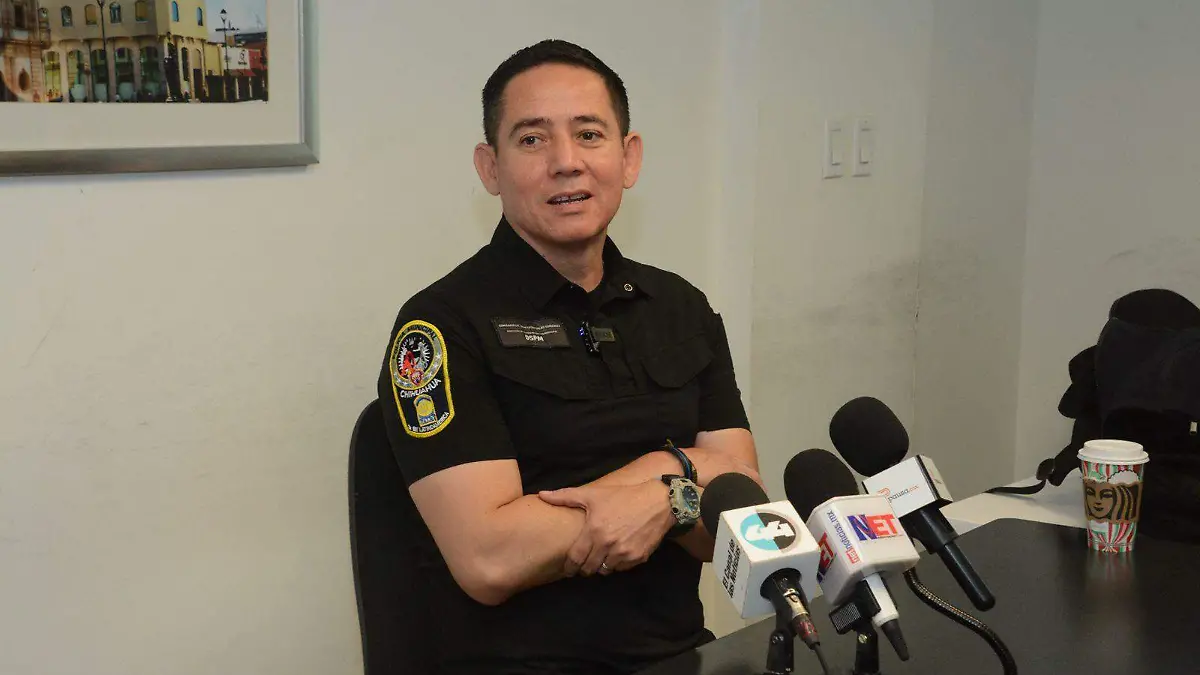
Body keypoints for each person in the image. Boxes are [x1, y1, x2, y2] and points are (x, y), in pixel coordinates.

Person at [377, 38, 761, 675]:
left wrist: (667, 499)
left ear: (628, 158)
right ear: (490, 168)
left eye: (589, 134)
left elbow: (742, 516)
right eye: (532, 139)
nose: (566, 163)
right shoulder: (440, 326)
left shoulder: (681, 308)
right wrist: (677, 478)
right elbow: (490, 559)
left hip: (678, 657)